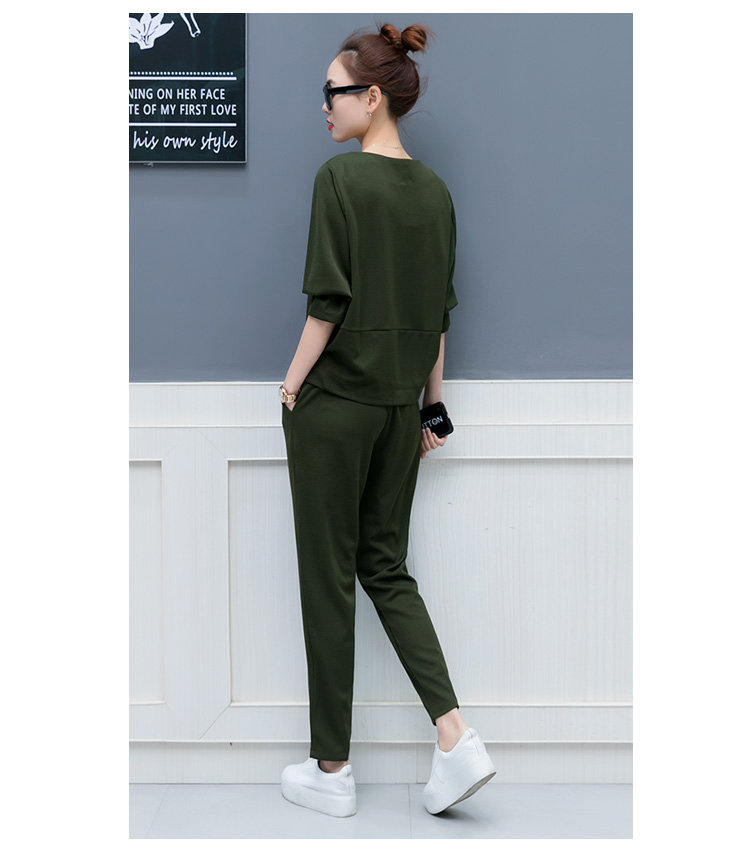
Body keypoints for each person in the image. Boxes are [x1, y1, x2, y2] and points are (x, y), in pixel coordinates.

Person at [278, 22, 496, 818]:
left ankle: (332, 771)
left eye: (333, 93)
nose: (324, 106)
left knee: (328, 578)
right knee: (387, 567)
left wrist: (290, 386)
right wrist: (432, 406)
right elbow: (437, 319)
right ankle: (455, 735)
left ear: (371, 97)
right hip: (402, 412)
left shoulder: (339, 179)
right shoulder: (434, 193)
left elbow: (327, 302)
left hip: (335, 406)